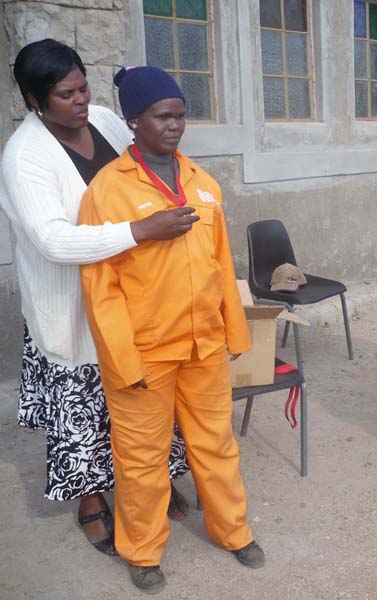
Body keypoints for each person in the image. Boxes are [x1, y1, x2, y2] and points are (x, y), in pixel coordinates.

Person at [0, 39, 194, 558]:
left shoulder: (107, 122)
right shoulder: (24, 156)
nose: (81, 100)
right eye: (65, 94)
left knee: (145, 395)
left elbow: (150, 164)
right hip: (71, 304)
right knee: (85, 405)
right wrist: (140, 230)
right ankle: (91, 501)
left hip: (136, 294)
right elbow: (53, 240)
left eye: (83, 87)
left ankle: (150, 481)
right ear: (34, 99)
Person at [78, 66, 264, 593]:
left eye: (180, 115)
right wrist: (123, 360)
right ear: (134, 120)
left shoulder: (203, 183)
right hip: (144, 354)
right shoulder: (107, 191)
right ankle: (142, 552)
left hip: (203, 346)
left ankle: (233, 531)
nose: (174, 125)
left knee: (216, 444)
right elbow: (100, 286)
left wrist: (235, 334)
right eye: (162, 116)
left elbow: (221, 263)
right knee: (141, 460)